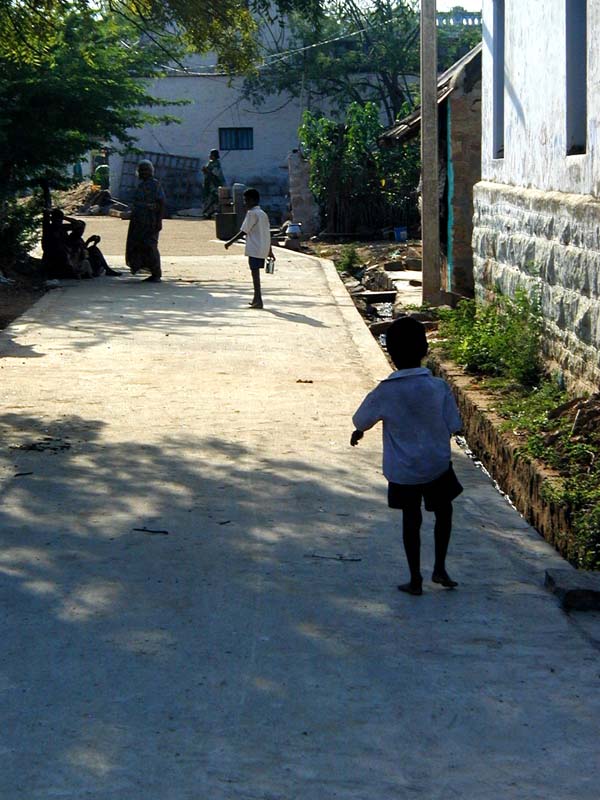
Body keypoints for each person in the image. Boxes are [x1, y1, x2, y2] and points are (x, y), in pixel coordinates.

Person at [350, 316, 463, 596]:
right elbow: (455, 425)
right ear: (425, 350)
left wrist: (359, 432)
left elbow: (361, 420)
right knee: (444, 512)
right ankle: (440, 568)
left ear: (391, 353)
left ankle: (415, 579)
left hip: (403, 470)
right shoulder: (438, 387)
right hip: (437, 464)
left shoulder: (385, 391)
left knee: (411, 520)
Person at [224, 187, 275, 309]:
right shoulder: (262, 213)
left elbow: (244, 231)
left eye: (246, 200)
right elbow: (267, 233)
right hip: (262, 248)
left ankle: (258, 299)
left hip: (254, 249)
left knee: (255, 275)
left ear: (252, 200)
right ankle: (256, 299)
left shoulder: (251, 213)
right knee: (256, 274)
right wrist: (270, 251)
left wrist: (230, 242)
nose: (245, 203)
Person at [125, 160, 166, 283]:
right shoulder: (141, 186)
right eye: (141, 170)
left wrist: (159, 221)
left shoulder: (155, 185)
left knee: (150, 246)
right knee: (139, 245)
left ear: (151, 171)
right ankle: (144, 267)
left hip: (150, 220)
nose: (143, 173)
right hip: (138, 221)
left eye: (145, 170)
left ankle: (156, 273)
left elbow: (161, 203)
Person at [201, 149, 225, 219]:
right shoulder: (210, 163)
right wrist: (204, 170)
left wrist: (207, 171)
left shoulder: (216, 164)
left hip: (215, 184)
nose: (210, 156)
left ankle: (214, 213)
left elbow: (215, 174)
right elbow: (207, 173)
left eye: (211, 155)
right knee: (208, 198)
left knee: (214, 199)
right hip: (208, 184)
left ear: (214, 156)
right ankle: (208, 213)